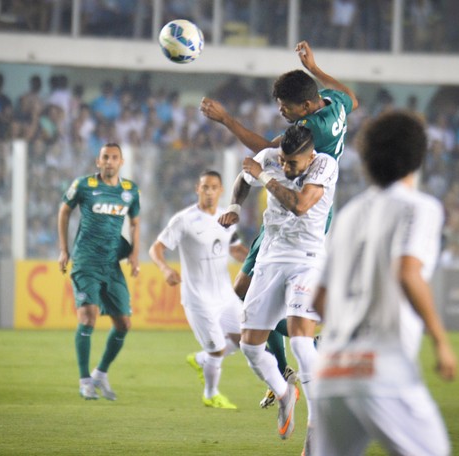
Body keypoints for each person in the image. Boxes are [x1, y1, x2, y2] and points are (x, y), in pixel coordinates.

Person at [201, 40, 358, 407]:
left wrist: (226, 120)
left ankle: (300, 360)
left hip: (299, 207)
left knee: (250, 298)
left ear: (305, 106)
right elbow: (352, 96)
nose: (281, 111)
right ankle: (295, 361)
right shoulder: (335, 105)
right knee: (245, 294)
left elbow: (265, 150)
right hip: (309, 207)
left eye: (285, 106)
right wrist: (315, 68)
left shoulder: (311, 129)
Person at [312, 110, 458, 456]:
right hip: (384, 370)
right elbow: (408, 271)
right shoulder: (420, 207)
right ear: (419, 156)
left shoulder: (348, 213)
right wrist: (441, 340)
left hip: (331, 368)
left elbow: (320, 298)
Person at [218, 125, 338, 452]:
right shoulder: (269, 158)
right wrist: (234, 206)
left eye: (292, 165)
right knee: (250, 347)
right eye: (282, 161)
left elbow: (299, 205)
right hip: (270, 258)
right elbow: (243, 178)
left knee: (300, 342)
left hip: (307, 260)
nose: (285, 168)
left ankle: (317, 428)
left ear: (309, 157)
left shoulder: (325, 165)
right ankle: (285, 392)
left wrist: (264, 177)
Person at [149, 170, 248, 409]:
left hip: (225, 295)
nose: (210, 192)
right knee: (218, 350)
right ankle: (210, 393)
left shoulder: (227, 217)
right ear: (198, 189)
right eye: (205, 187)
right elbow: (156, 248)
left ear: (221, 191)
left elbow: (235, 249)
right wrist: (164, 269)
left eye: (214, 187)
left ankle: (201, 359)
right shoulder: (184, 220)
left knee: (248, 339)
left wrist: (256, 260)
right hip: (198, 298)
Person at [58, 142, 141, 401]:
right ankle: (84, 380)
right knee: (88, 317)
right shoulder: (84, 185)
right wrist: (64, 251)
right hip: (85, 262)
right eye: (105, 157)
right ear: (98, 161)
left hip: (112, 263)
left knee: (124, 323)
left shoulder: (130, 191)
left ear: (121, 162)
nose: (109, 161)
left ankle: (100, 373)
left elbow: (135, 222)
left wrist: (135, 255)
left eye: (114, 157)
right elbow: (64, 212)